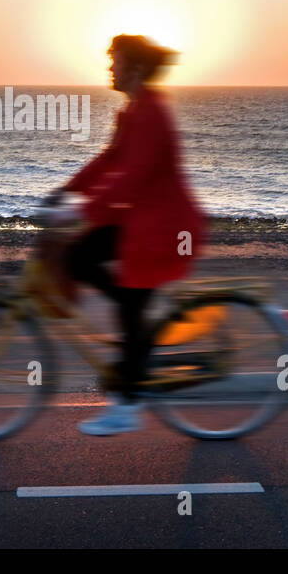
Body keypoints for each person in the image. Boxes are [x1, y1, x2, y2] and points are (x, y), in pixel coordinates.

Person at [46, 34, 206, 436]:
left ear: (134, 67)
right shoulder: (134, 110)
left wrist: (83, 210)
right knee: (78, 257)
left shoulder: (152, 111)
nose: (109, 67)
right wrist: (68, 190)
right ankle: (137, 339)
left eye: (114, 60)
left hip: (163, 229)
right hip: (141, 223)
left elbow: (132, 180)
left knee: (129, 304)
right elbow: (112, 159)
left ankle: (127, 403)